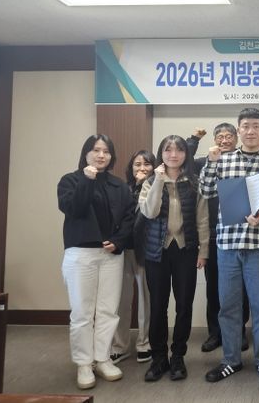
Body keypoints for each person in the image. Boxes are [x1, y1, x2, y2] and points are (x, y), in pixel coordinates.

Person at [201, 108, 259, 384]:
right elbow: (205, 191)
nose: (250, 131)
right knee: (228, 306)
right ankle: (230, 360)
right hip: (227, 244)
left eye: (255, 126)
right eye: (245, 126)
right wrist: (210, 163)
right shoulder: (223, 160)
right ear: (238, 130)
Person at [57, 134, 134, 389]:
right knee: (82, 312)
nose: (101, 155)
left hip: (111, 255)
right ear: (86, 153)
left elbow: (129, 217)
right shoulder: (70, 180)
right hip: (81, 254)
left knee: (108, 311)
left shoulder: (118, 185)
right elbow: (74, 209)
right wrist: (87, 180)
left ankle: (102, 358)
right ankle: (83, 363)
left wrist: (119, 241)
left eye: (106, 151)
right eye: (96, 150)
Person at [140, 135, 209, 382]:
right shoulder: (150, 181)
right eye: (168, 150)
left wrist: (203, 251)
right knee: (158, 306)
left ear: (185, 155)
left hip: (185, 250)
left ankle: (178, 356)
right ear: (161, 154)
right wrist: (158, 181)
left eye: (179, 150)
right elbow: (150, 212)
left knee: (184, 306)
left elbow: (202, 219)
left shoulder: (194, 182)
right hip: (156, 252)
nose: (173, 155)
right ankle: (159, 358)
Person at [187, 124, 250, 353]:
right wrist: (194, 139)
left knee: (240, 288)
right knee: (213, 288)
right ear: (214, 140)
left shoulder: (243, 161)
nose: (224, 140)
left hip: (239, 233)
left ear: (236, 138)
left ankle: (238, 332)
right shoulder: (204, 163)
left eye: (229, 136)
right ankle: (215, 333)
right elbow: (184, 159)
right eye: (220, 137)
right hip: (213, 236)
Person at [110, 150, 155, 365]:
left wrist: (142, 186)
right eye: (138, 164)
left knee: (146, 299)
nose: (142, 168)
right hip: (122, 250)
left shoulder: (158, 186)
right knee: (121, 299)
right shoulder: (122, 188)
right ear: (131, 167)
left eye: (147, 164)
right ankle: (120, 345)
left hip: (146, 250)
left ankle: (144, 343)